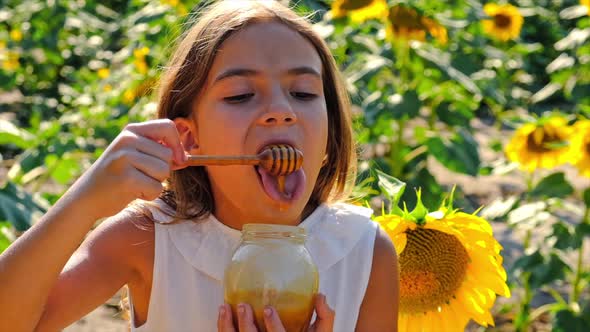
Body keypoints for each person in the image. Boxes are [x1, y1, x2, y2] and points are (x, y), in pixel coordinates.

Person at [0, 1, 399, 331]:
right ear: (189, 139)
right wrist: (84, 201)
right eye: (241, 95)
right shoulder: (149, 238)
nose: (281, 111)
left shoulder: (364, 252)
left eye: (303, 92)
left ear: (329, 134)